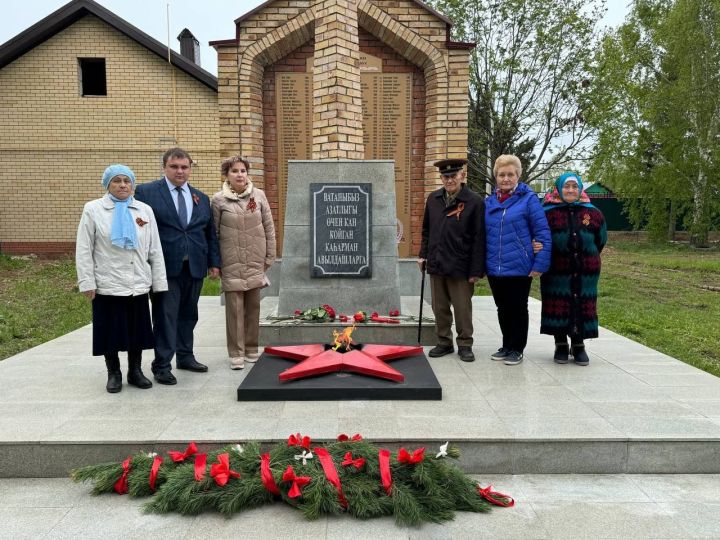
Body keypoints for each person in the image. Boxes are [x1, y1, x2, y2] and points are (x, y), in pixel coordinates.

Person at [76, 164, 168, 393]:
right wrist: (87, 282)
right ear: (108, 184)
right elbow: (84, 248)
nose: (122, 185)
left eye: (127, 181)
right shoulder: (94, 209)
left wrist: (159, 282)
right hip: (107, 283)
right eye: (117, 181)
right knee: (111, 331)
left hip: (137, 282)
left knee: (137, 330)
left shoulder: (143, 210)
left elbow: (154, 248)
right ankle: (114, 373)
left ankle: (135, 371)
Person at [134, 148, 221, 385]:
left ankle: (185, 356)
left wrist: (214, 262)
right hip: (164, 267)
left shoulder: (200, 198)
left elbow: (209, 233)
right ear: (164, 167)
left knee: (188, 314)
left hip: (194, 265)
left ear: (190, 168)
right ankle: (162, 364)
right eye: (174, 166)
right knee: (165, 316)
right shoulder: (146, 192)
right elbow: (139, 229)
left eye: (184, 167)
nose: (180, 171)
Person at [485, 154, 551, 366]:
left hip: (520, 266)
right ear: (496, 177)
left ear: (518, 176)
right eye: (502, 174)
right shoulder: (489, 202)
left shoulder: (529, 200)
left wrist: (540, 263)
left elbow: (542, 232)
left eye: (510, 174)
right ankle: (506, 345)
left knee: (518, 308)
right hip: (495, 266)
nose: (506, 179)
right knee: (502, 308)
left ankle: (517, 348)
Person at [418, 158, 486, 363]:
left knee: (462, 307)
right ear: (441, 178)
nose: (449, 180)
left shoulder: (474, 201)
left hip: (461, 265)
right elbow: (426, 231)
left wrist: (476, 270)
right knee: (439, 307)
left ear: (462, 176)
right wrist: (423, 255)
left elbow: (479, 238)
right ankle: (444, 342)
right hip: (437, 261)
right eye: (445, 177)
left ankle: (465, 344)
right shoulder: (433, 199)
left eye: (453, 176)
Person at [211, 156, 276, 370]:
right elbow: (214, 233)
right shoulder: (219, 200)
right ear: (227, 175)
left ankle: (251, 348)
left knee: (253, 307)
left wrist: (270, 255)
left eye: (243, 170)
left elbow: (268, 226)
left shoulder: (259, 196)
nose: (240, 174)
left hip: (256, 259)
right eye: (234, 171)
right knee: (235, 309)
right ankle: (236, 352)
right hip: (231, 260)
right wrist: (216, 262)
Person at [540, 172, 607, 365]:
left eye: (574, 187)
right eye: (566, 187)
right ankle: (560, 343)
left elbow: (600, 240)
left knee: (582, 306)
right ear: (559, 189)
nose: (570, 190)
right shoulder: (547, 212)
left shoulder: (593, 213)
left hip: (586, 272)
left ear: (580, 189)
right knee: (558, 305)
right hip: (556, 271)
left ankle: (579, 344)